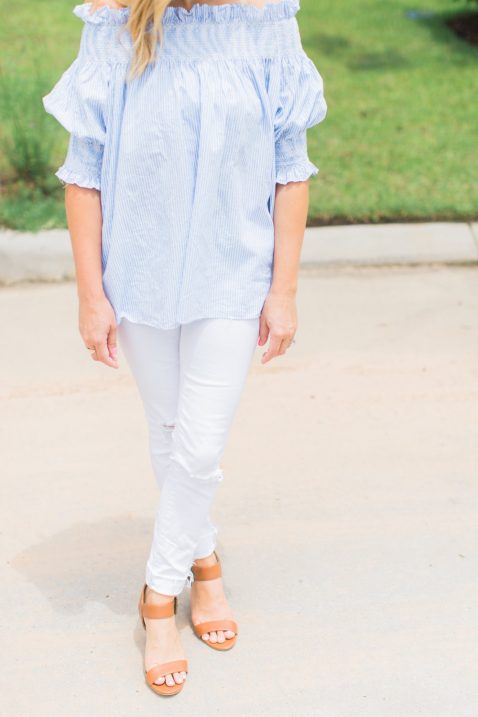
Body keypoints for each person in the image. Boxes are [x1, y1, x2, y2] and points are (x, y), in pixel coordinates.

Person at [42, 0, 327, 697]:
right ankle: (204, 562)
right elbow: (84, 172)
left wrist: (283, 290)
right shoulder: (115, 21)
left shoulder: (266, 22)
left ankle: (157, 597)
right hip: (137, 277)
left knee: (197, 447)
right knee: (170, 434)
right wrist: (90, 296)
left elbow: (292, 164)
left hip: (232, 273)